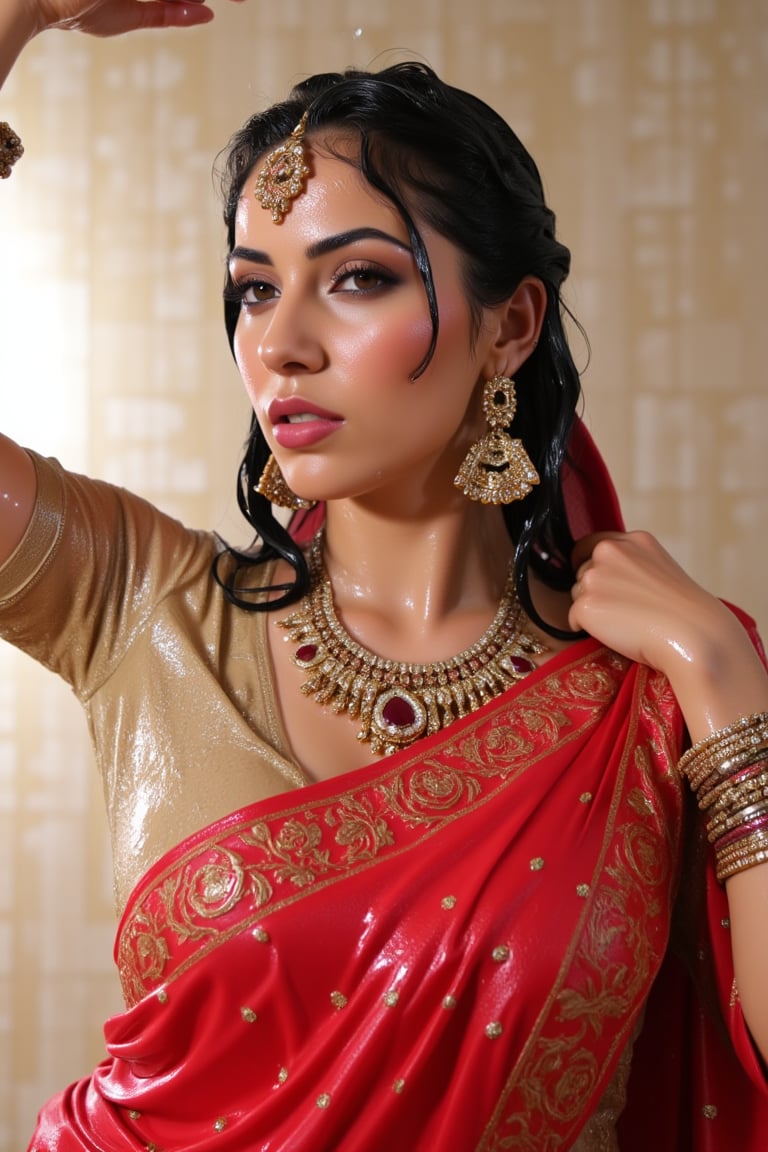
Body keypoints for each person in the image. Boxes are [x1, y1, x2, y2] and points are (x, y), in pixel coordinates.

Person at [2, 2, 768, 1150]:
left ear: (510, 327)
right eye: (255, 288)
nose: (281, 343)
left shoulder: (653, 702)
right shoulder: (144, 607)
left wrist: (728, 685)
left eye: (356, 279)